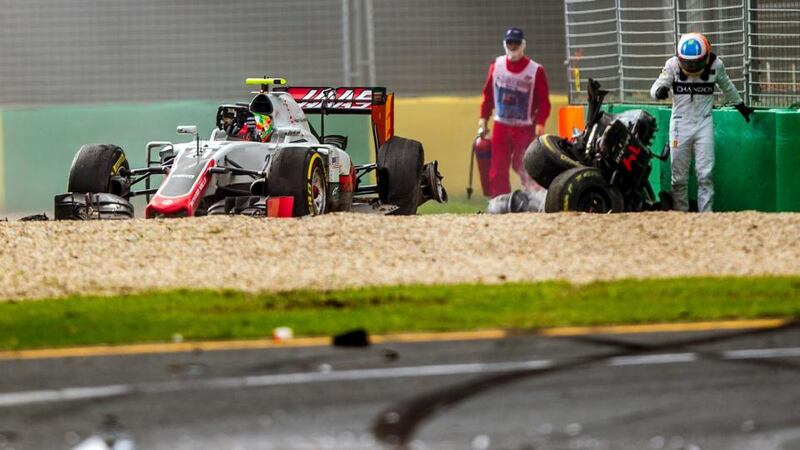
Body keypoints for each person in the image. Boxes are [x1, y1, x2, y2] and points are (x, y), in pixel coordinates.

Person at [650, 32, 754, 212]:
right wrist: (659, 91)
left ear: (706, 56)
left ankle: (706, 217)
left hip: (704, 123)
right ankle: (681, 214)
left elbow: (727, 86)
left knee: (705, 174)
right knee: (679, 177)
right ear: (680, 57)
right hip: (679, 124)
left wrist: (740, 105)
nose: (691, 65)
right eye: (687, 62)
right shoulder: (672, 65)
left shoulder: (716, 65)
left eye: (695, 62)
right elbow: (655, 87)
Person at [479, 26, 551, 197]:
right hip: (501, 126)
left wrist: (540, 122)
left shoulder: (535, 70)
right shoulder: (496, 66)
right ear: (505, 44)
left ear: (523, 44)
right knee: (498, 167)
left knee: (525, 164)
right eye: (510, 42)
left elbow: (544, 102)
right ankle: (500, 200)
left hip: (524, 127)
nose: (512, 46)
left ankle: (536, 197)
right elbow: (488, 94)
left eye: (516, 43)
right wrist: (483, 119)